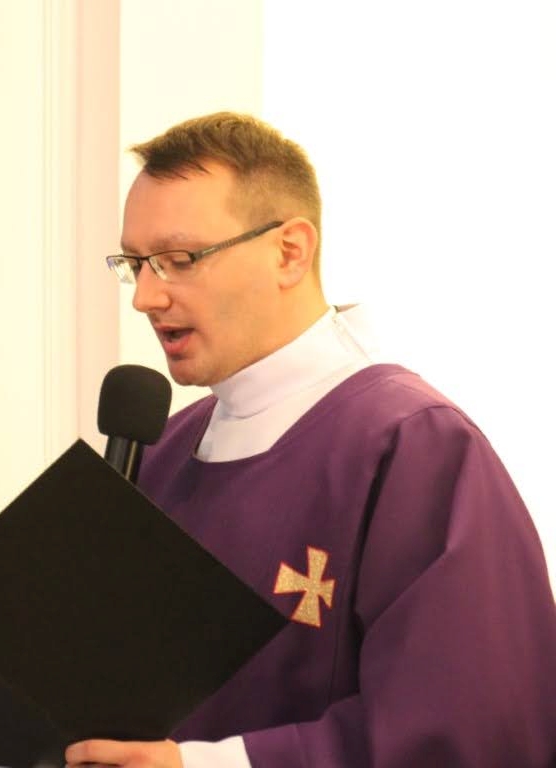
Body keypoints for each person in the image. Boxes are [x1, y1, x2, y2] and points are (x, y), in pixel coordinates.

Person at [65, 112, 556, 767]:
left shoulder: (413, 446)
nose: (146, 298)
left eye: (179, 260)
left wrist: (206, 764)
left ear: (290, 252)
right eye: (135, 264)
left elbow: (469, 726)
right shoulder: (163, 452)